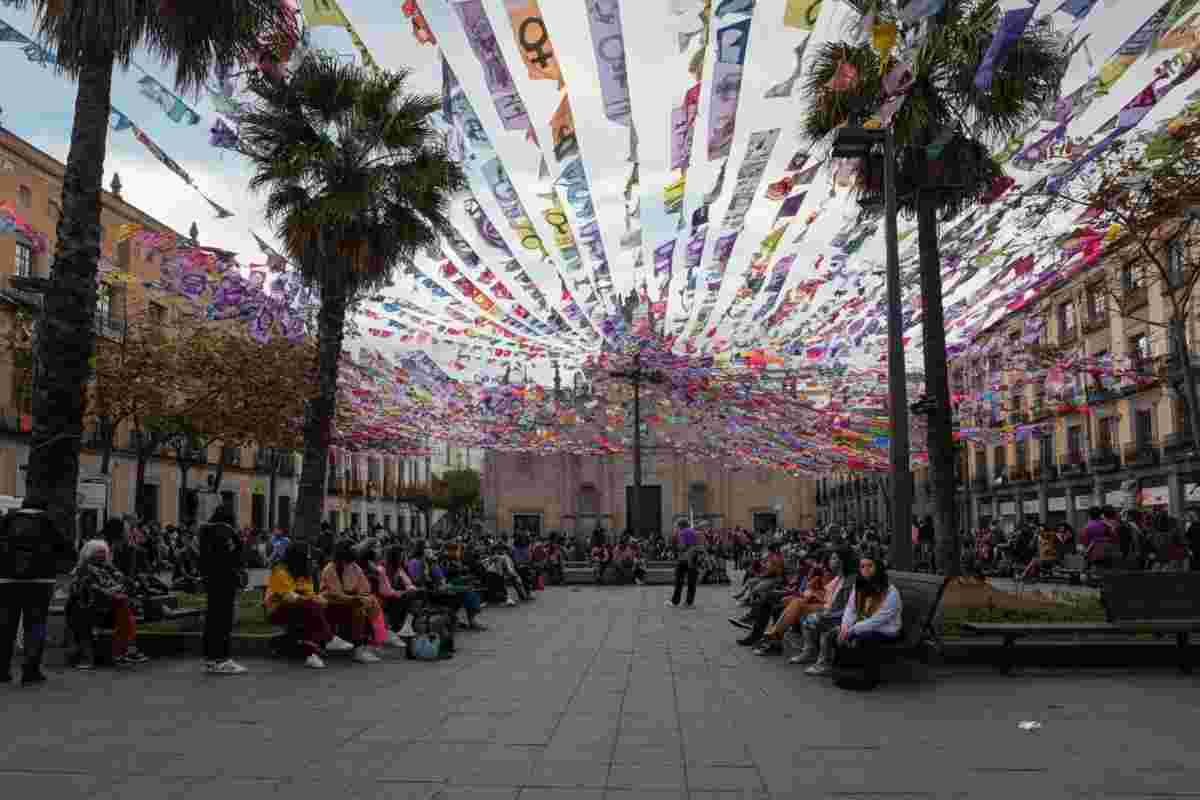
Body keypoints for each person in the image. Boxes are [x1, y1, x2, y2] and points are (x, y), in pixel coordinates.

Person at [0, 500, 75, 685]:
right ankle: (30, 670)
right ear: (43, 507)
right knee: (36, 625)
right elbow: (65, 549)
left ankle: (2, 670)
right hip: (40, 582)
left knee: (5, 626)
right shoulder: (46, 522)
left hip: (7, 581)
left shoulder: (7, 520)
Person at [265, 542, 352, 669]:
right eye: (308, 556)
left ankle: (311, 654)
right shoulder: (280, 572)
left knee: (319, 607)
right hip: (278, 610)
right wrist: (313, 599)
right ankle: (328, 639)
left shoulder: (306, 574)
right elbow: (290, 597)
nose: (310, 559)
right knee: (311, 607)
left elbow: (309, 594)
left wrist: (319, 599)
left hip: (302, 607)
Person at [67, 540, 148, 669]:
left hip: (110, 606)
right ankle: (125, 650)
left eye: (104, 552)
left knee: (124, 606)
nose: (103, 556)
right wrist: (115, 590)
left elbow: (123, 582)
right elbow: (91, 590)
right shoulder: (83, 569)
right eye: (99, 553)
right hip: (88, 608)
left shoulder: (108, 567)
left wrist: (126, 585)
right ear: (90, 554)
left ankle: (123, 650)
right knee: (123, 605)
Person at [829, 557, 903, 685]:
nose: (866, 570)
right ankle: (844, 673)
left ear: (878, 568)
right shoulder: (859, 587)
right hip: (863, 624)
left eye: (870, 566)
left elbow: (878, 620)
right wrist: (845, 627)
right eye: (862, 566)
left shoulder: (891, 592)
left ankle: (867, 677)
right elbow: (850, 609)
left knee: (863, 638)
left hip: (886, 630)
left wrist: (852, 630)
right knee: (836, 633)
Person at [198, 504, 250, 675]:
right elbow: (234, 557)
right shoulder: (226, 533)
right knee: (224, 621)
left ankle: (210, 659)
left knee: (212, 619)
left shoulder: (205, 533)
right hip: (225, 582)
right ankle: (222, 659)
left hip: (211, 582)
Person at [319, 541, 382, 664]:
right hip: (332, 605)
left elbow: (365, 588)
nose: (355, 551)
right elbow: (336, 594)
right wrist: (355, 598)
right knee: (359, 607)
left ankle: (364, 645)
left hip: (348, 601)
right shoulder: (330, 569)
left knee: (370, 602)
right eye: (352, 549)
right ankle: (359, 650)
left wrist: (361, 597)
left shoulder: (355, 567)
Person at [667, 519, 700, 608]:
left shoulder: (681, 532)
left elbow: (682, 546)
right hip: (693, 558)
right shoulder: (694, 532)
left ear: (680, 525)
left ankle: (675, 601)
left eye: (677, 526)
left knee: (679, 581)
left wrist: (676, 547)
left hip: (683, 559)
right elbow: (698, 545)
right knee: (691, 582)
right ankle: (689, 603)